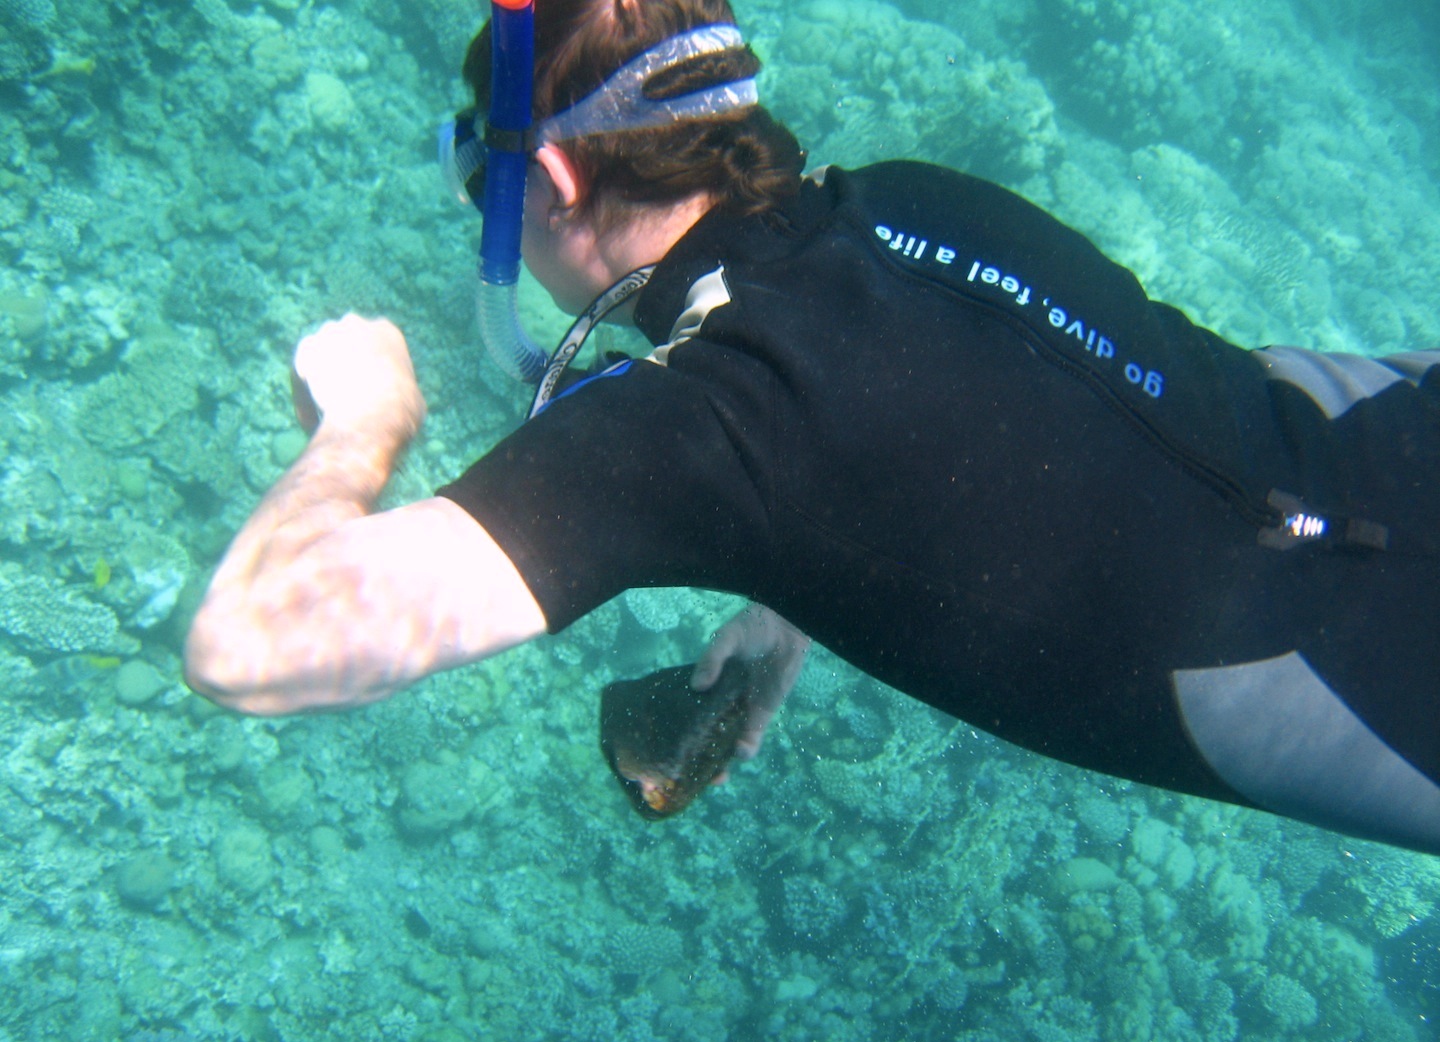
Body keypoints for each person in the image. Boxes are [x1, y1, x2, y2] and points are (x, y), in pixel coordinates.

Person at [185, 0, 1440, 855]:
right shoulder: (919, 199)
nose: (486, 211)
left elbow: (251, 641)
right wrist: (799, 585)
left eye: (483, 180)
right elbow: (972, 409)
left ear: (554, 180)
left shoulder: (691, 433)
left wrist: (369, 418)